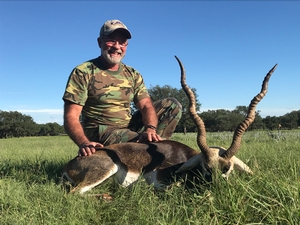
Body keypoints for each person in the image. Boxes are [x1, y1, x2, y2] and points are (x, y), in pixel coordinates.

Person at [62, 19, 182, 157]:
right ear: (100, 42)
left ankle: (156, 147)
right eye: (111, 40)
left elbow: (145, 106)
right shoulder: (83, 72)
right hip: (101, 131)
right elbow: (71, 115)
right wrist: (84, 142)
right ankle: (148, 155)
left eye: (122, 42)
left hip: (127, 127)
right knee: (140, 145)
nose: (117, 47)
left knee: (172, 105)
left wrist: (150, 128)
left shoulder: (132, 74)